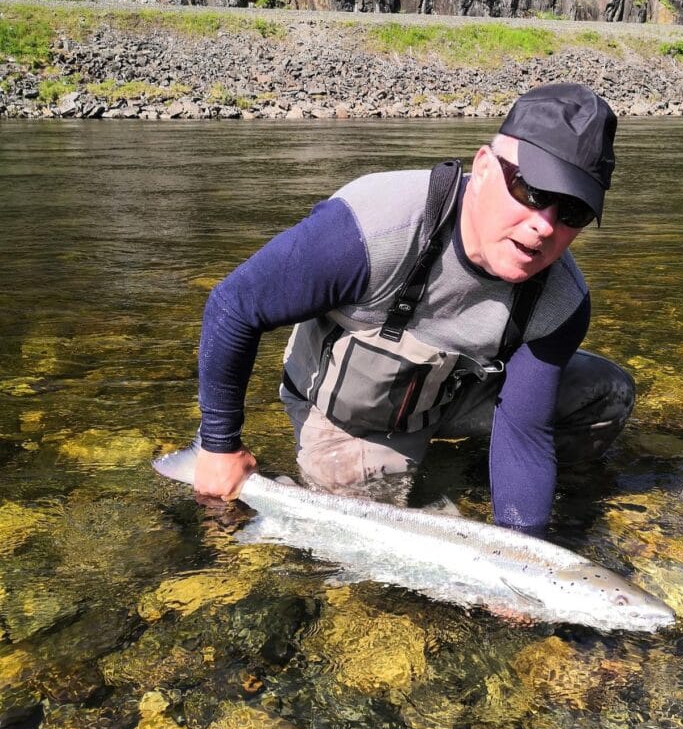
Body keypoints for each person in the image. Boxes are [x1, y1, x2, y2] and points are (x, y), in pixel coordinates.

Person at [193, 82, 635, 538]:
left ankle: (471, 475)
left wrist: (523, 549)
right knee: (372, 544)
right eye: (532, 192)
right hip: (351, 416)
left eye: (574, 213)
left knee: (605, 392)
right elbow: (234, 306)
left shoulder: (563, 302)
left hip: (448, 396)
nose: (545, 225)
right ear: (484, 168)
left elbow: (525, 430)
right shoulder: (369, 229)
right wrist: (219, 446)